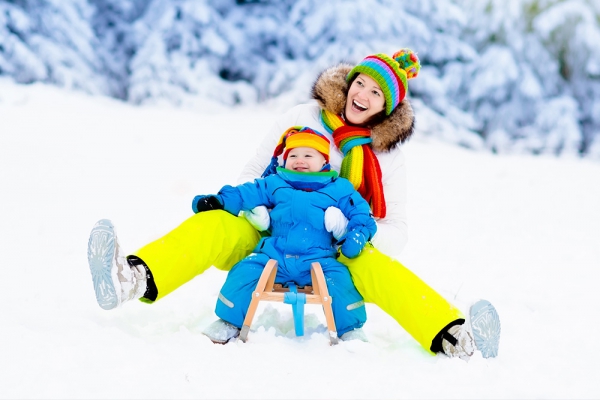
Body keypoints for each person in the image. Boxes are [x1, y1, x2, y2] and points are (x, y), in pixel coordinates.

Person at [87, 48, 498, 360]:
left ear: (385, 107)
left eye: (376, 93)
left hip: (337, 252)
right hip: (268, 232)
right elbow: (253, 171)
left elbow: (399, 229)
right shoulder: (304, 115)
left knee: (382, 268)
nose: (363, 95)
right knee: (213, 223)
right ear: (350, 82)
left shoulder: (387, 157)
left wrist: (353, 237)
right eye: (361, 83)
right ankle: (132, 278)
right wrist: (256, 212)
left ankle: (454, 337)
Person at [192, 126, 376, 343]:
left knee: (341, 281)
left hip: (319, 259)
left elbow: (362, 214)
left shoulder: (338, 188)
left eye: (308, 155)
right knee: (244, 271)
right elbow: (246, 193)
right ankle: (228, 321)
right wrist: (220, 201)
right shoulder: (275, 183)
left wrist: (358, 235)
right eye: (293, 155)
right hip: (274, 254)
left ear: (324, 161)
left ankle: (350, 330)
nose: (299, 159)